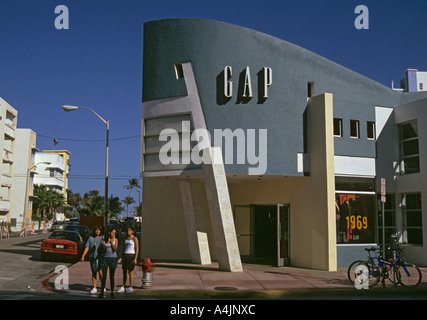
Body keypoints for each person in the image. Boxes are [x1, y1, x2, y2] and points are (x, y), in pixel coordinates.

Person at [81, 225, 104, 295]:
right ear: (94, 231)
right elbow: (87, 247)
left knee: (100, 272)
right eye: (96, 230)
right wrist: (83, 255)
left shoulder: (102, 238)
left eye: (99, 230)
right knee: (94, 272)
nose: (97, 231)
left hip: (100, 258)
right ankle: (94, 287)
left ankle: (103, 285)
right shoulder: (90, 238)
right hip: (92, 258)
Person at [117, 226, 139, 293]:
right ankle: (123, 286)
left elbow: (137, 249)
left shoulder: (134, 238)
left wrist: (135, 258)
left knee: (130, 272)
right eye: (127, 230)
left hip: (131, 255)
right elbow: (124, 248)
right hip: (125, 255)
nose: (128, 232)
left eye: (129, 230)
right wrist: (121, 257)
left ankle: (131, 287)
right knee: (124, 272)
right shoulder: (125, 238)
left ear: (132, 231)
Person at [99, 227, 118, 299]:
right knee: (104, 276)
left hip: (112, 258)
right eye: (113, 232)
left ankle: (112, 292)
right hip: (105, 258)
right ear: (109, 232)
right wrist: (104, 246)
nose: (114, 234)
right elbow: (102, 250)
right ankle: (102, 292)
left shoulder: (115, 240)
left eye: (114, 233)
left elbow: (115, 249)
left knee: (112, 276)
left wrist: (111, 242)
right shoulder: (103, 241)